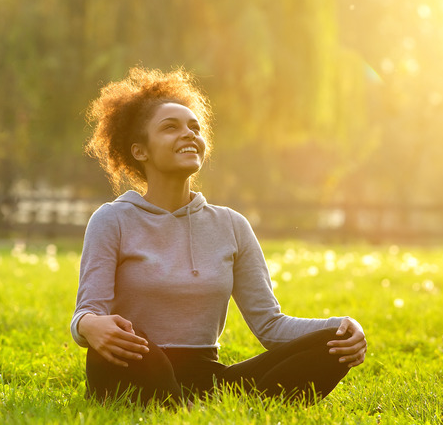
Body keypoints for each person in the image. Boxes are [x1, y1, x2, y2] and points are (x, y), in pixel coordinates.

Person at [71, 67, 366, 407]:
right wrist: (89, 327)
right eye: (171, 128)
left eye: (194, 127)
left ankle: (185, 405)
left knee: (333, 343)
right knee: (138, 349)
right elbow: (87, 313)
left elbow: (270, 325)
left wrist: (344, 326)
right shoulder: (112, 220)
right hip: (134, 363)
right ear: (141, 151)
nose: (188, 134)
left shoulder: (231, 225)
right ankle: (182, 405)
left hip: (207, 377)